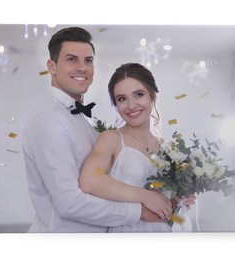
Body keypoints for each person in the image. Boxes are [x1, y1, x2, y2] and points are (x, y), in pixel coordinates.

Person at [22, 27, 170, 233]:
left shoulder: (81, 120)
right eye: (72, 59)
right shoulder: (49, 120)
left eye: (88, 60)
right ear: (52, 66)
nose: (82, 67)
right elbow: (69, 202)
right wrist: (140, 211)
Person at [79, 63, 195, 232]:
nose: (131, 105)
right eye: (122, 99)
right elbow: (89, 180)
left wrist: (179, 198)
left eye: (138, 95)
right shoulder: (111, 139)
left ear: (152, 96)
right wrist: (145, 196)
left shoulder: (167, 148)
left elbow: (168, 205)